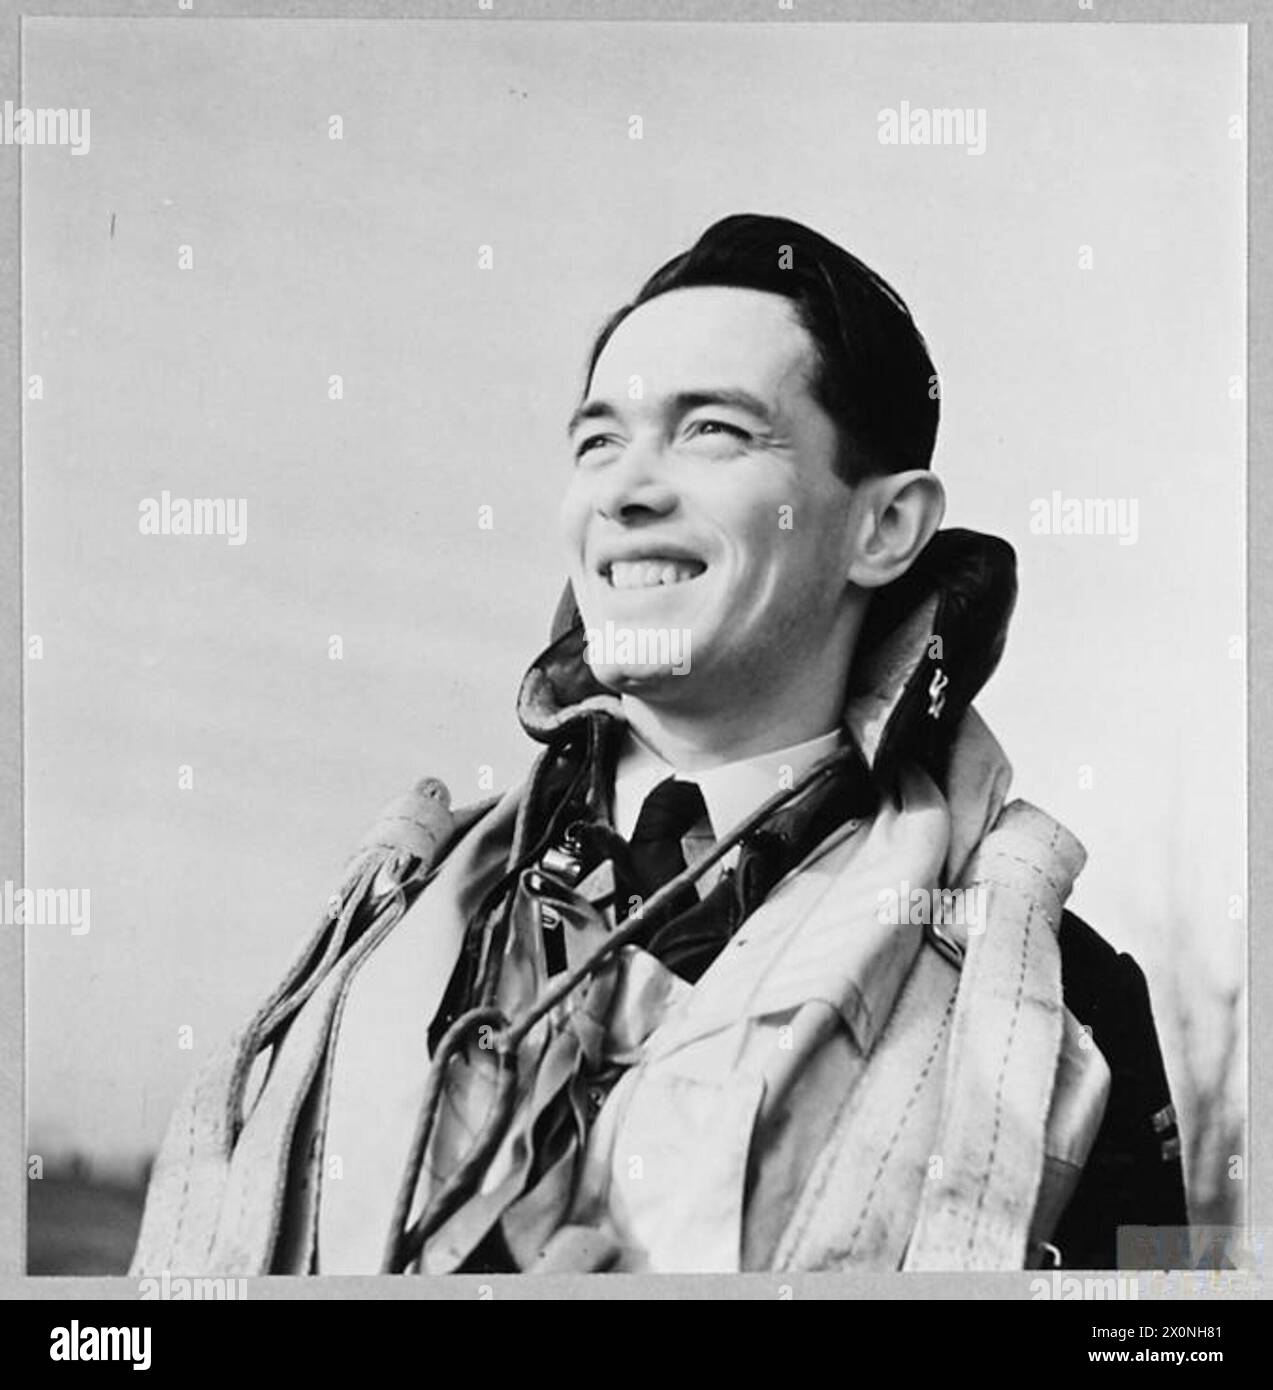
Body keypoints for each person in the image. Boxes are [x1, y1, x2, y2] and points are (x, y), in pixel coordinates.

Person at [131, 213, 1186, 1276]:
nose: (626, 490)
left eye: (713, 430)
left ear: (884, 528)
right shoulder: (383, 930)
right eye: (598, 441)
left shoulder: (1060, 1013)